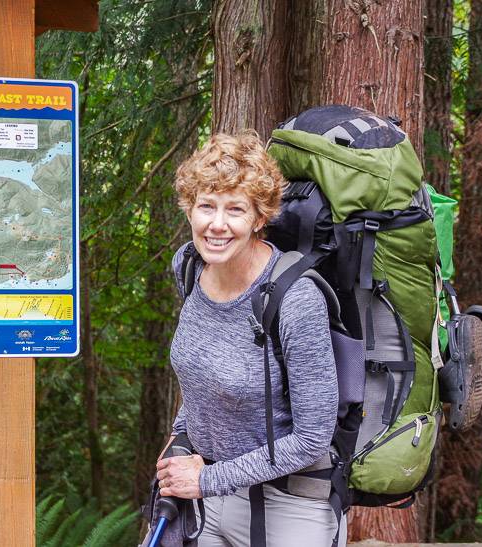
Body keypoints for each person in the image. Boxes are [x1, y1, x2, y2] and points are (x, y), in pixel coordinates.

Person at [154, 132, 344, 546]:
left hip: (289, 501)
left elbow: (313, 438)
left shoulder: (294, 300)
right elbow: (203, 373)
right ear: (189, 208)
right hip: (206, 493)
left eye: (235, 209)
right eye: (206, 206)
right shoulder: (188, 268)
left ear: (259, 218)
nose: (216, 225)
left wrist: (208, 478)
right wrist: (181, 437)